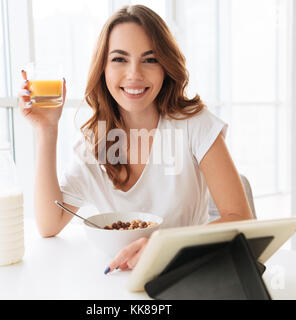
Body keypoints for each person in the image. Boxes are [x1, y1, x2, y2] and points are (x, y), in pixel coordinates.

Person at [18, 5, 252, 275]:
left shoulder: (194, 124)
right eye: (119, 59)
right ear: (103, 68)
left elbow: (240, 218)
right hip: (120, 281)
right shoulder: (95, 143)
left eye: (150, 59)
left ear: (166, 66)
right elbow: (49, 225)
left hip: (187, 275)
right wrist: (47, 130)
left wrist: (162, 247)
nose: (134, 74)